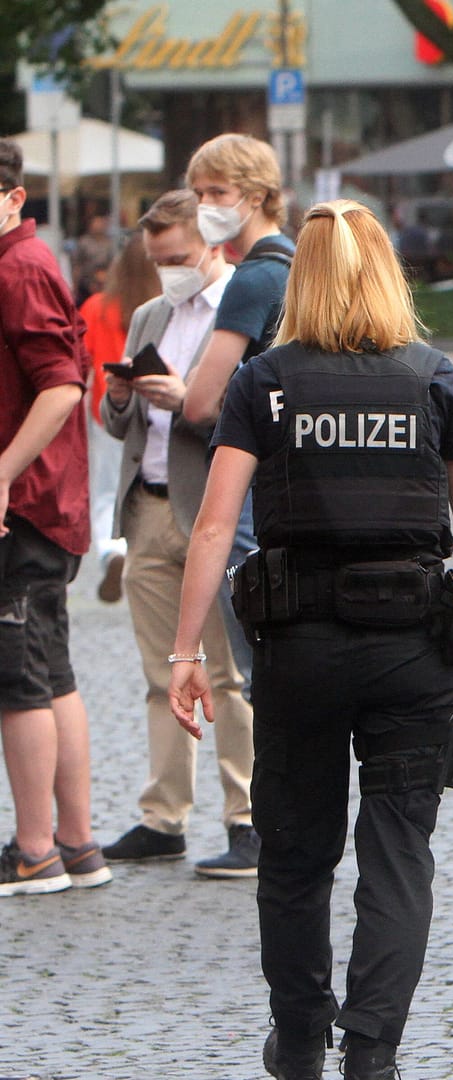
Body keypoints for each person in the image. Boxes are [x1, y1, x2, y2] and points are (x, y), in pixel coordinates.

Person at [169, 199, 453, 1080]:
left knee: (295, 851)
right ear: (387, 272)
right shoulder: (433, 377)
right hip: (415, 650)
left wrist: (184, 656)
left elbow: (212, 530)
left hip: (300, 651)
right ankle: (373, 1046)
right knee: (398, 850)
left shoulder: (265, 381)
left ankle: (299, 1038)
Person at [97, 191, 258, 877]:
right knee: (158, 672)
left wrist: (187, 403)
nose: (169, 272)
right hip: (149, 508)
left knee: (225, 675)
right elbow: (115, 425)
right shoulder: (148, 316)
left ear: (212, 244)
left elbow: (244, 422)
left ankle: (247, 815)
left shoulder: (240, 313)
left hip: (211, 515)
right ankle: (163, 815)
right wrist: (125, 397)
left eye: (180, 259)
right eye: (158, 261)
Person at [0, 137, 106, 896]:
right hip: (45, 501)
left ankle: (34, 850)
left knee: (19, 680)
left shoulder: (18, 267)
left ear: (14, 197)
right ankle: (75, 845)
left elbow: (61, 387)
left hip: (27, 504)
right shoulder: (24, 264)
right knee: (51, 671)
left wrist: (1, 473)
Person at [182, 132, 294, 693]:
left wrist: (173, 394)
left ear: (256, 195)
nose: (205, 205)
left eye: (217, 191)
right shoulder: (301, 263)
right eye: (198, 192)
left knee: (258, 673)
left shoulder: (252, 277)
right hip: (298, 479)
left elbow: (200, 401)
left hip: (247, 484)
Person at [78, 237, 161, 603]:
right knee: (152, 486)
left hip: (108, 413)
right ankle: (145, 553)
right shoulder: (163, 308)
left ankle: (111, 550)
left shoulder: (96, 307)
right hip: (155, 412)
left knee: (107, 490)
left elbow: (80, 368)